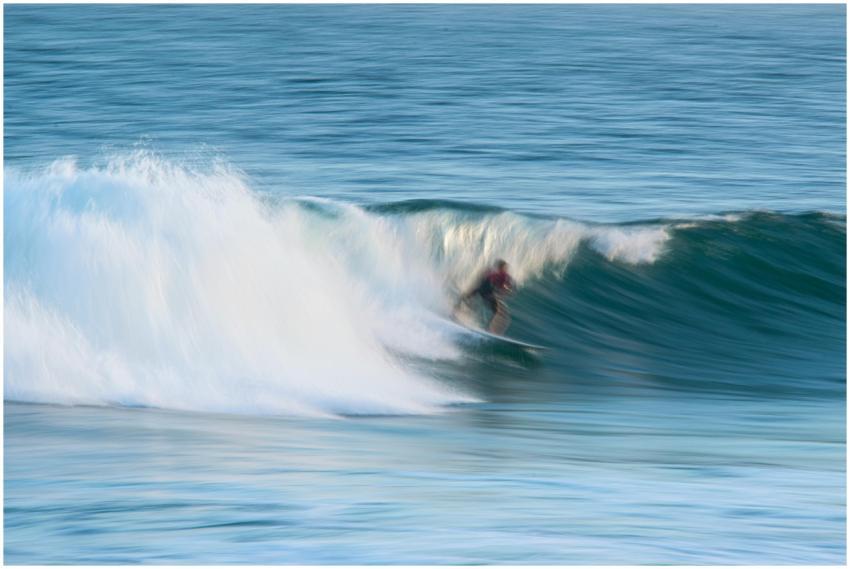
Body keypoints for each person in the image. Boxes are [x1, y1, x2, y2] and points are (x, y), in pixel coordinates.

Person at [455, 259, 515, 334]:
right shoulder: (502, 274)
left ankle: (455, 310)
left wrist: (504, 290)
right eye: (504, 267)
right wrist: (505, 290)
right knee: (496, 311)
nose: (506, 269)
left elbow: (484, 279)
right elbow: (502, 284)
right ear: (501, 267)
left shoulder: (492, 271)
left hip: (481, 288)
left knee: (466, 297)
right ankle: (489, 330)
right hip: (486, 289)